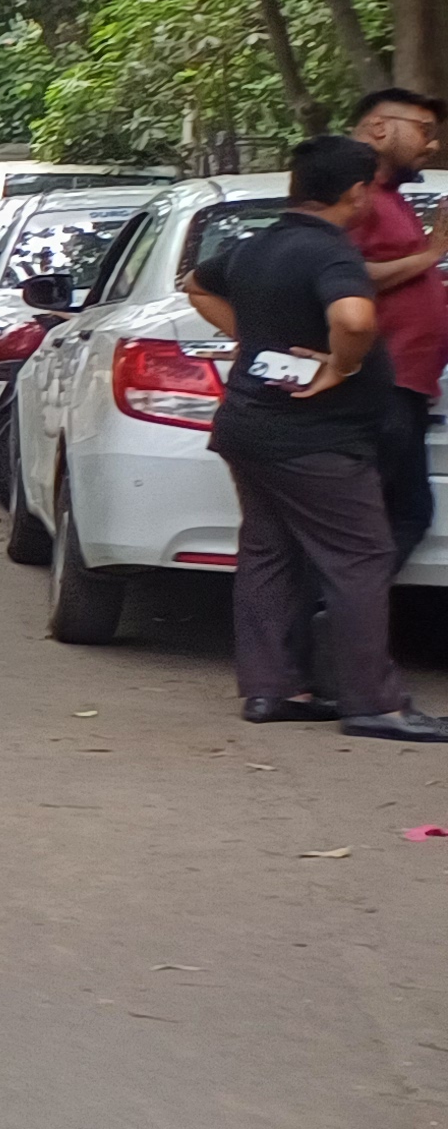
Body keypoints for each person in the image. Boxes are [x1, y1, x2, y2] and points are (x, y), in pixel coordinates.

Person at [183, 130, 448, 740]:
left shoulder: (256, 246)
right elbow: (353, 317)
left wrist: (251, 339)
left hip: (248, 423)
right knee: (360, 556)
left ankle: (272, 689)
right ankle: (373, 703)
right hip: (316, 437)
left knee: (269, 553)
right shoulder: (333, 254)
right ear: (356, 194)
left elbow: (198, 285)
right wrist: (343, 364)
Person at [344, 85, 443, 574]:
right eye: (424, 132)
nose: (433, 145)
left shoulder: (393, 199)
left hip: (407, 387)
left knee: (404, 514)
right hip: (380, 384)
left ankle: (334, 620)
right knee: (383, 518)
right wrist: (428, 255)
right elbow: (342, 272)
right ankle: (326, 619)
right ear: (380, 128)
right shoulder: (356, 197)